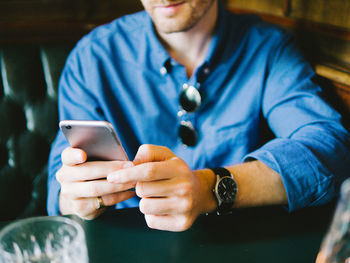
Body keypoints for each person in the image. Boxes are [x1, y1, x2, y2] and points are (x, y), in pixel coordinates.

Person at [47, 0, 350, 231]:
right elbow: (58, 190)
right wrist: (74, 198)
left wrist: (210, 188)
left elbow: (328, 148)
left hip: (239, 244)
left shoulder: (268, 47)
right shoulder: (92, 57)